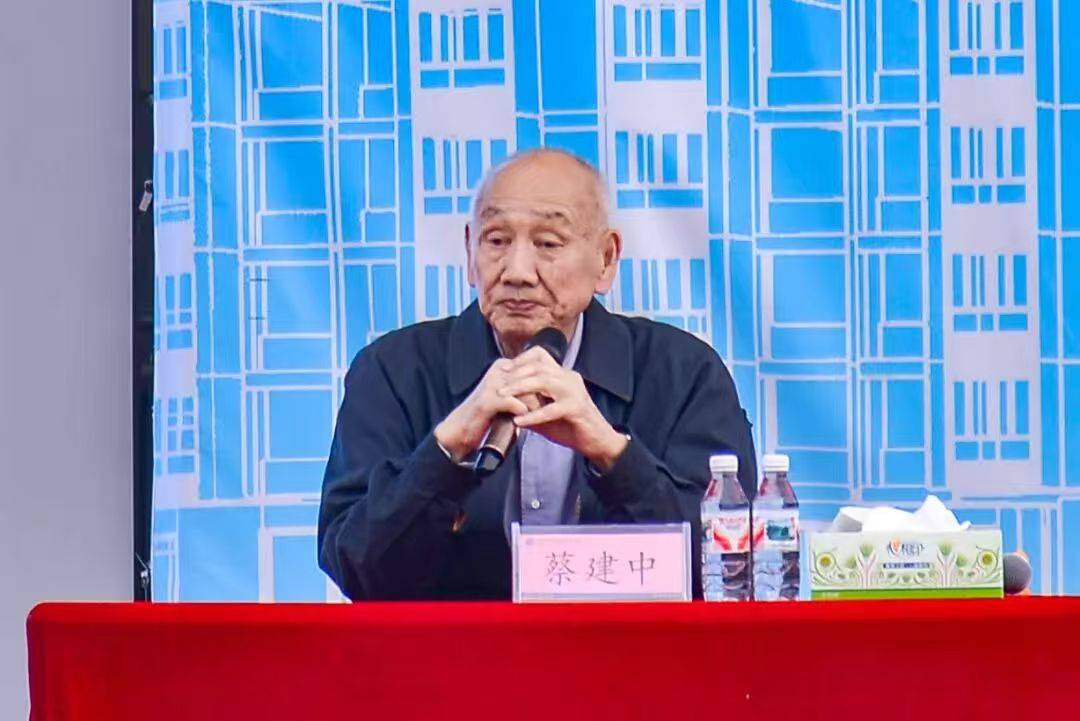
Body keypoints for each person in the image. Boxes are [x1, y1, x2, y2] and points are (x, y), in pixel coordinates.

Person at [318, 148, 756, 600]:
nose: (517, 271)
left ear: (605, 259)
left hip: (626, 643)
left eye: (548, 243)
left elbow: (727, 569)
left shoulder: (684, 373)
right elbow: (357, 570)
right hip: (457, 646)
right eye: (496, 241)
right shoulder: (392, 371)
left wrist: (612, 453)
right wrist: (445, 451)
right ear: (470, 252)